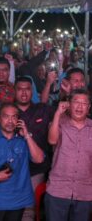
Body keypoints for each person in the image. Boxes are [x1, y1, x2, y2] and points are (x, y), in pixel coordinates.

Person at [0, 103, 44, 221]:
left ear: (18, 119)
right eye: (6, 117)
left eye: (14, 117)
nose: (10, 121)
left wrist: (27, 135)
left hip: (18, 200)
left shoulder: (24, 140)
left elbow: (39, 159)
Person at [45, 89, 92, 221]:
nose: (80, 106)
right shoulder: (59, 123)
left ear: (88, 107)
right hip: (58, 190)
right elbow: (52, 140)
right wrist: (57, 114)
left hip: (85, 192)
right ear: (69, 105)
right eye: (76, 102)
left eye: (84, 103)